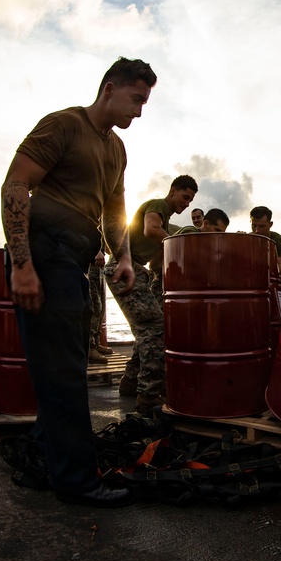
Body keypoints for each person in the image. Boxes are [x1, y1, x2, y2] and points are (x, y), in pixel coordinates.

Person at [0, 56, 156, 508]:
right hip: (45, 251)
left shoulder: (116, 150)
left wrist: (124, 256)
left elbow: (114, 210)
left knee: (63, 363)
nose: (140, 112)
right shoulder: (64, 125)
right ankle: (77, 482)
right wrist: (22, 265)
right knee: (64, 371)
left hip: (79, 260)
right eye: (136, 100)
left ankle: (47, 454)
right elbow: (15, 187)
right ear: (110, 88)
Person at [109, 175, 198, 410]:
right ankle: (148, 395)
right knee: (156, 329)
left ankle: (130, 382)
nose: (187, 203)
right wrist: (179, 246)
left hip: (134, 270)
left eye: (190, 200)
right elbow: (151, 230)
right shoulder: (159, 205)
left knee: (147, 328)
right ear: (173, 191)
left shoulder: (167, 220)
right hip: (124, 268)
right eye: (185, 197)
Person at [250, 206, 281, 277]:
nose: (257, 231)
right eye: (254, 226)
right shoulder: (246, 239)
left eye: (261, 226)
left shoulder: (279, 241)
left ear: (270, 224)